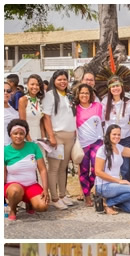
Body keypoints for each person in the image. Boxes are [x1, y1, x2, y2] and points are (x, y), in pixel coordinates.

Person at [41, 69, 77, 209]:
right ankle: (54, 198)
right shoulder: (49, 95)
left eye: (65, 79)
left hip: (69, 136)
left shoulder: (69, 95)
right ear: (54, 80)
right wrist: (51, 136)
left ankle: (63, 195)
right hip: (57, 135)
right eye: (59, 79)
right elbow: (46, 117)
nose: (63, 82)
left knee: (63, 168)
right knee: (54, 168)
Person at [4, 118, 49, 221]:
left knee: (43, 206)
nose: (18, 136)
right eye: (15, 133)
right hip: (13, 186)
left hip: (31, 185)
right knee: (15, 190)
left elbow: (42, 169)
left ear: (25, 134)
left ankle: (29, 202)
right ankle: (13, 209)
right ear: (10, 134)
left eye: (21, 133)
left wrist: (45, 189)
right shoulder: (5, 151)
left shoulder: (33, 147)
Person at [94, 123, 130, 215]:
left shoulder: (119, 148)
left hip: (115, 186)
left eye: (119, 134)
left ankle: (110, 201)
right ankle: (107, 204)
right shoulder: (102, 150)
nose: (117, 136)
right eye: (114, 134)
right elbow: (98, 172)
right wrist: (118, 181)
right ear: (108, 135)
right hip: (104, 186)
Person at [73, 83, 104, 206]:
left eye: (87, 93)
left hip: (97, 141)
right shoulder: (74, 109)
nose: (84, 95)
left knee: (97, 169)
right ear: (78, 94)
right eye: (82, 93)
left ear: (91, 95)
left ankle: (92, 189)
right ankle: (87, 196)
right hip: (83, 144)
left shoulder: (98, 106)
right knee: (84, 171)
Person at [17, 74, 46, 144]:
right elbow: (22, 122)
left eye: (37, 85)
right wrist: (29, 139)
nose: (35, 87)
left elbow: (41, 122)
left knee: (41, 154)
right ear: (27, 85)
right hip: (27, 135)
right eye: (32, 84)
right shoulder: (23, 100)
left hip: (38, 134)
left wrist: (43, 137)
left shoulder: (40, 101)